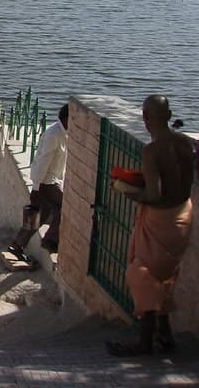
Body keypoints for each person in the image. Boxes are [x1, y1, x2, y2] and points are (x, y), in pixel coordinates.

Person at [106, 94, 195, 357]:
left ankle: (144, 343)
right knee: (165, 274)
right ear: (168, 116)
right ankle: (165, 335)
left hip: (161, 218)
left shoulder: (152, 150)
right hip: (183, 214)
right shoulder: (184, 143)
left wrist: (127, 190)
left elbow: (154, 194)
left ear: (145, 118)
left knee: (140, 274)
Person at [6, 103, 69, 267]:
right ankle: (50, 241)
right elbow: (42, 161)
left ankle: (18, 245)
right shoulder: (53, 135)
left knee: (38, 216)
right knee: (63, 208)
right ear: (66, 118)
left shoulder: (63, 133)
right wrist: (36, 187)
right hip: (46, 182)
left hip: (50, 181)